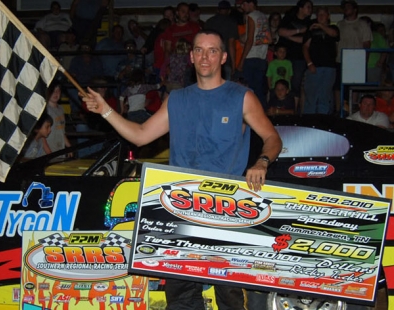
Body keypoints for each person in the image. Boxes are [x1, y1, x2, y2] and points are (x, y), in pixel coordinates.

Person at [82, 29, 282, 310]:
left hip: (227, 209)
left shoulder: (242, 97)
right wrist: (105, 111)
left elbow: (273, 138)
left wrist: (261, 162)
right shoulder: (176, 99)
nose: (205, 56)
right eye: (199, 50)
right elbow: (140, 134)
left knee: (229, 296)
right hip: (179, 208)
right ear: (191, 56)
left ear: (223, 57)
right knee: (180, 297)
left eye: (212, 51)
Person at [334, 0, 372, 113]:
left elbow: (367, 43)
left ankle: (351, 109)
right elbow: (336, 43)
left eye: (348, 7)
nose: (346, 9)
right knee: (338, 86)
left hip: (356, 60)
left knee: (354, 86)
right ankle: (338, 109)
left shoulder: (362, 24)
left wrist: (364, 60)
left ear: (355, 9)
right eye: (344, 7)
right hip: (340, 59)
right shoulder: (340, 24)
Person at [302, 6, 339, 115]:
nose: (321, 16)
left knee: (325, 95)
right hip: (314, 66)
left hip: (329, 67)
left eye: (323, 14)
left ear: (328, 16)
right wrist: (309, 63)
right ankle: (309, 122)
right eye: (318, 14)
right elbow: (305, 47)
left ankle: (324, 121)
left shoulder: (334, 28)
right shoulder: (311, 30)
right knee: (311, 96)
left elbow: (334, 34)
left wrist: (320, 26)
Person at [235, 0, 272, 109]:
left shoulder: (251, 16)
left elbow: (250, 39)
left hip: (251, 58)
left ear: (251, 3)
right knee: (259, 90)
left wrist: (241, 61)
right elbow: (269, 39)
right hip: (261, 58)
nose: (242, 6)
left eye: (243, 4)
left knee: (248, 90)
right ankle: (263, 114)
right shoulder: (263, 17)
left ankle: (250, 115)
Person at [277, 0, 313, 110]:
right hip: (284, 57)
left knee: (296, 85)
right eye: (308, 6)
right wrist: (299, 30)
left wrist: (289, 36)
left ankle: (295, 110)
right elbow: (280, 32)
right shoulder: (289, 18)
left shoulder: (309, 23)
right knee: (281, 82)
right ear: (301, 8)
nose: (310, 9)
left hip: (299, 58)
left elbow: (304, 40)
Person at [204, 0, 238, 79]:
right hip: (225, 60)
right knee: (225, 87)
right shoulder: (231, 22)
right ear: (229, 11)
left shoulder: (209, 22)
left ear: (218, 10)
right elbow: (231, 43)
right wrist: (233, 64)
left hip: (210, 58)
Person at [43, 82, 72, 157]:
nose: (56, 93)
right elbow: (41, 136)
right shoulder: (45, 110)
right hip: (48, 149)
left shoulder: (61, 109)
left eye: (58, 91)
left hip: (60, 148)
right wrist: (48, 152)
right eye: (53, 91)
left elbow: (62, 130)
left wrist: (69, 146)